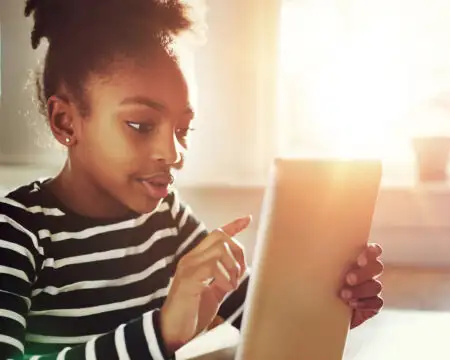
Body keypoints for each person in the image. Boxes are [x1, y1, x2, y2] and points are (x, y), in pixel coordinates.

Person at [0, 0, 384, 359]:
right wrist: (162, 330)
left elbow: (260, 322)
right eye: (141, 125)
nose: (173, 153)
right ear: (66, 121)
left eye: (183, 129)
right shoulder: (17, 232)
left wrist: (331, 303)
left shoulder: (167, 218)